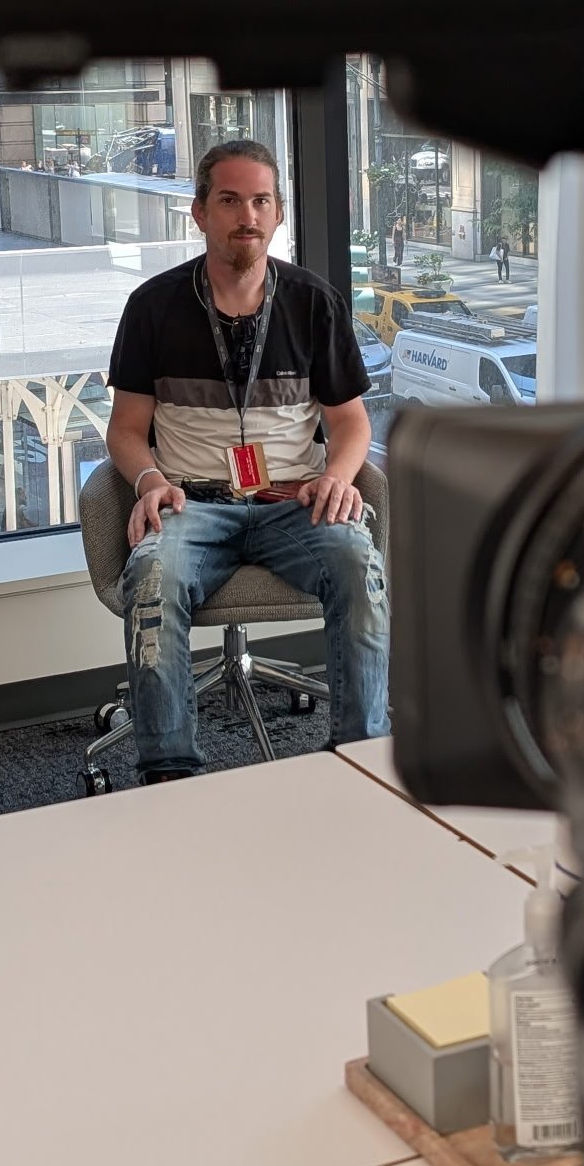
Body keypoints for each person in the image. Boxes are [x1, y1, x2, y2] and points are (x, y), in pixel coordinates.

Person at [106, 140, 389, 784]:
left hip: (294, 502)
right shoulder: (153, 307)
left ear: (279, 213)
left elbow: (350, 423)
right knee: (151, 581)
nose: (247, 216)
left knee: (357, 563)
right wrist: (149, 479)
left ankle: (363, 758)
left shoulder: (314, 303)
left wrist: (337, 479)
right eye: (229, 200)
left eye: (261, 201)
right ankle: (169, 775)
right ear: (199, 212)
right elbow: (125, 431)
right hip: (192, 503)